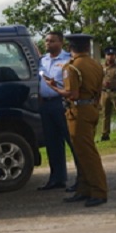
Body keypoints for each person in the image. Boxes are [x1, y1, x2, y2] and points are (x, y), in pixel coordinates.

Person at [44, 34, 108, 207]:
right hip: (91, 108)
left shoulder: (71, 67)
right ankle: (84, 189)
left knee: (86, 154)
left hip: (78, 110)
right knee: (83, 151)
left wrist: (52, 86)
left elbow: (72, 94)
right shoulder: (95, 64)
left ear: (71, 47)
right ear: (87, 47)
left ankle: (98, 191)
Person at [37, 31, 80, 191]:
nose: (48, 43)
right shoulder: (42, 60)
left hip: (62, 103)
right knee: (52, 143)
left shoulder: (68, 59)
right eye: (46, 41)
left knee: (72, 140)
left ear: (61, 43)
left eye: (52, 41)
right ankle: (57, 178)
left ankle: (81, 177)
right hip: (46, 104)